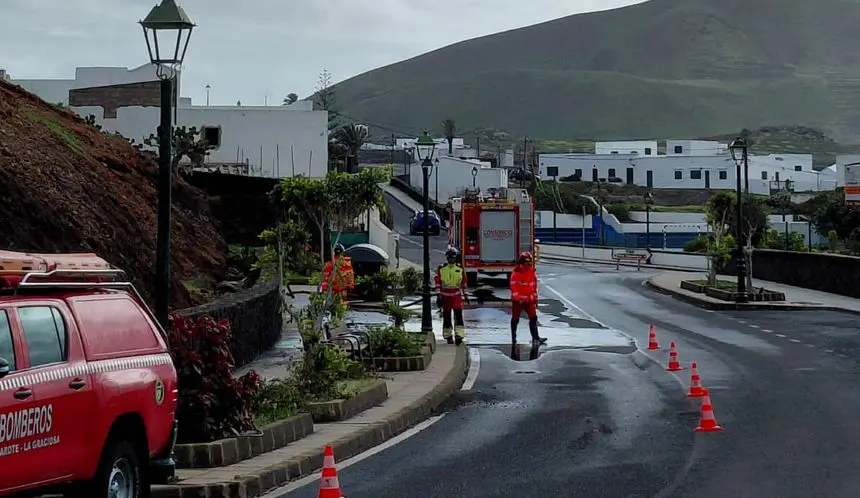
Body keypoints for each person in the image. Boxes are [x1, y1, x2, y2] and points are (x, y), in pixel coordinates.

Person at [510, 251, 546, 345]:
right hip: (518, 302)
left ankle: (536, 338)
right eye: (527, 262)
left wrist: (535, 298)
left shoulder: (531, 271)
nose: (528, 264)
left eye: (530, 262)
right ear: (522, 262)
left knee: (533, 318)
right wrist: (517, 297)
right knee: (515, 319)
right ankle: (513, 337)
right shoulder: (516, 272)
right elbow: (513, 286)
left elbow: (534, 286)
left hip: (529, 301)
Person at [435, 247, 467, 345]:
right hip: (445, 296)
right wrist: (438, 294)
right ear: (447, 258)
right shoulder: (441, 269)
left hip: (456, 296)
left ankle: (459, 335)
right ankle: (448, 336)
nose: (451, 259)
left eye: (453, 257)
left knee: (458, 316)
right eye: (449, 257)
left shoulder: (460, 269)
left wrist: (465, 294)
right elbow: (437, 282)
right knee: (447, 317)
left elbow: (464, 282)